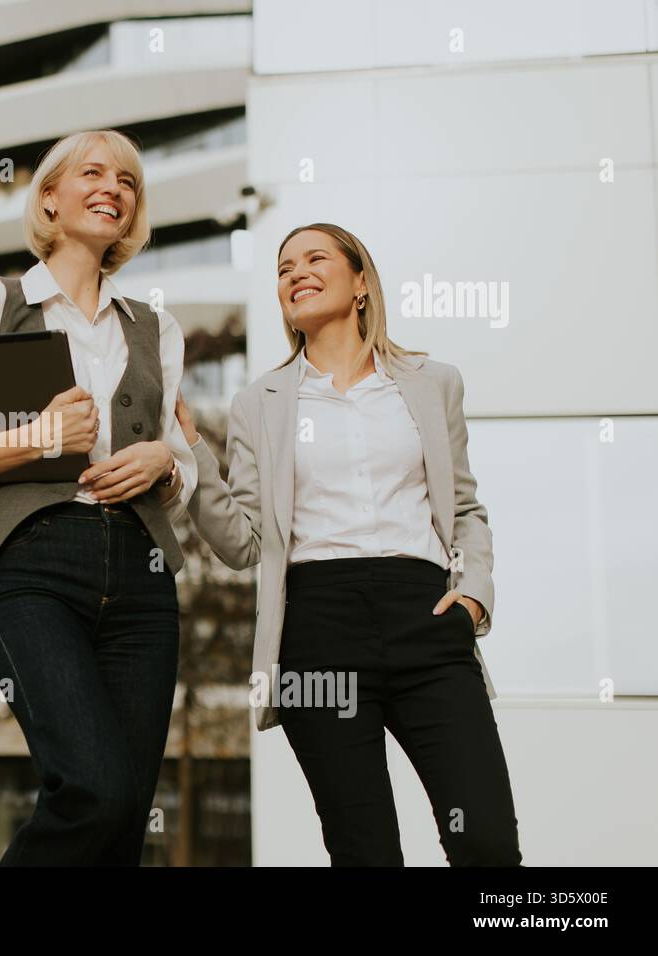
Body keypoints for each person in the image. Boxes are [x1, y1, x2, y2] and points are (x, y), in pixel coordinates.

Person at [179, 222, 521, 865]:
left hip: (427, 618)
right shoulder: (261, 403)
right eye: (284, 268)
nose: (295, 273)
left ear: (360, 282)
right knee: (365, 853)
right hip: (318, 628)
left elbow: (466, 507)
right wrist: (193, 454)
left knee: (487, 843)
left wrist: (474, 594)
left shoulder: (431, 381)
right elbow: (245, 543)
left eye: (314, 259)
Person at [0, 129, 198, 864]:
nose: (113, 188)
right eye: (93, 173)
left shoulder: (155, 328)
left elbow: (185, 462)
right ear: (49, 198)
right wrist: (38, 436)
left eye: (128, 181)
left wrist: (165, 460)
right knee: (93, 789)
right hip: (34, 564)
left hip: (141, 574)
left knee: (126, 817)